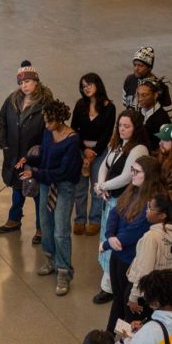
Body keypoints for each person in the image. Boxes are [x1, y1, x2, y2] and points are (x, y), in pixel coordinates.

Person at [20, 100, 81, 296]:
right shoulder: (48, 133)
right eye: (45, 122)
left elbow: (63, 172)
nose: (46, 126)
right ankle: (51, 259)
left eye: (50, 122)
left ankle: (64, 271)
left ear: (60, 119)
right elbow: (44, 157)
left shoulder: (72, 140)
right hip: (46, 183)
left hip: (64, 186)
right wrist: (27, 160)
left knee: (61, 229)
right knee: (46, 225)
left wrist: (35, 174)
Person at [92, 110, 150, 305]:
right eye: (120, 125)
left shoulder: (138, 149)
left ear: (136, 128)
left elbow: (126, 177)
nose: (122, 129)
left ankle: (109, 286)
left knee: (114, 241)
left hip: (123, 201)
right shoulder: (117, 144)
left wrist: (102, 187)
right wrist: (101, 185)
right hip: (110, 199)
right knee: (106, 236)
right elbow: (104, 166)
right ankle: (106, 280)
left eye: (127, 126)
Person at [102, 155, 164, 332]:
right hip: (118, 254)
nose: (132, 175)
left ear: (149, 175)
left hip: (131, 261)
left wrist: (110, 243)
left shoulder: (153, 201)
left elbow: (137, 230)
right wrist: (109, 236)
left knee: (127, 304)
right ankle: (109, 335)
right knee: (118, 299)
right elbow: (115, 212)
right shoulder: (132, 190)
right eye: (132, 170)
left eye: (136, 172)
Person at [0, 61, 54, 244]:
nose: (24, 85)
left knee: (37, 193)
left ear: (36, 81)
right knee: (17, 188)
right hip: (14, 153)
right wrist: (3, 143)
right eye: (21, 83)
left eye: (27, 81)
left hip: (35, 155)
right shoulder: (12, 100)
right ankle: (14, 219)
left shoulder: (46, 103)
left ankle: (41, 227)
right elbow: (2, 120)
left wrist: (40, 152)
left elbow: (51, 129)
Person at [125, 192, 172, 321]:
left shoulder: (151, 237)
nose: (146, 210)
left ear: (162, 215)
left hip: (142, 294)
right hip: (162, 295)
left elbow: (144, 271)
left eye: (150, 207)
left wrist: (133, 297)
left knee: (132, 328)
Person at [70, 73, 115, 236]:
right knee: (80, 188)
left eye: (89, 84)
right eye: (83, 86)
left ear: (98, 84)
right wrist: (84, 150)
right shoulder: (80, 105)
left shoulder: (109, 107)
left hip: (100, 152)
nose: (86, 88)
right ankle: (80, 220)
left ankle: (95, 220)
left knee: (97, 188)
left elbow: (108, 133)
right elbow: (74, 129)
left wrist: (94, 152)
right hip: (80, 151)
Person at [121, 46, 172, 112]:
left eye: (141, 66)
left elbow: (168, 113)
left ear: (149, 68)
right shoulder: (129, 80)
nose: (136, 69)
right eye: (135, 65)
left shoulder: (159, 86)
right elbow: (125, 103)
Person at [135, 81, 170, 153]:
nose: (139, 99)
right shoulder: (139, 111)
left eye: (144, 95)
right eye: (138, 95)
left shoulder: (162, 119)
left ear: (155, 95)